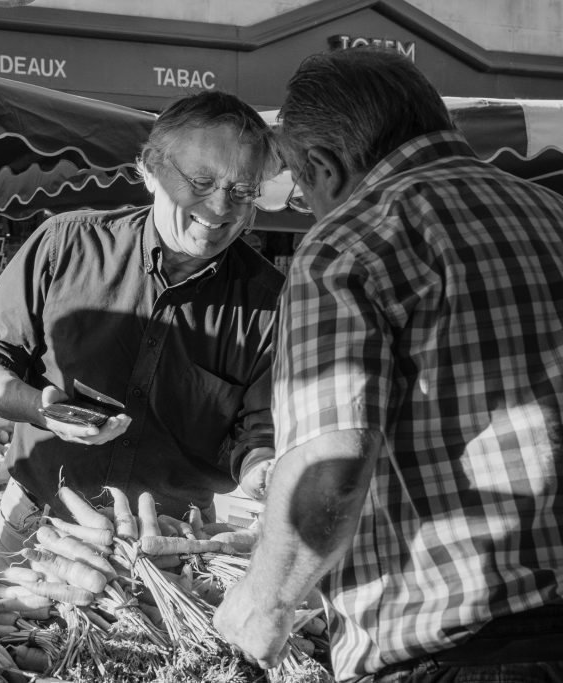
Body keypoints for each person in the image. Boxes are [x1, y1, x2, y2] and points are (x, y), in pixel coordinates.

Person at [212, 48, 563, 682]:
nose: (302, 197)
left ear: (325, 164)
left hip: (453, 650)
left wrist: (263, 606)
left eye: (297, 177)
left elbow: (331, 467)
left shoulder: (349, 243)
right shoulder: (553, 215)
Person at [0, 91, 284, 570]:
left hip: (173, 545)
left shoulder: (272, 301)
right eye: (202, 180)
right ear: (150, 169)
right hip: (43, 526)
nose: (219, 208)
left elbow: (258, 433)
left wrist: (264, 472)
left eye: (241, 190)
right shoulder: (64, 245)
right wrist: (40, 409)